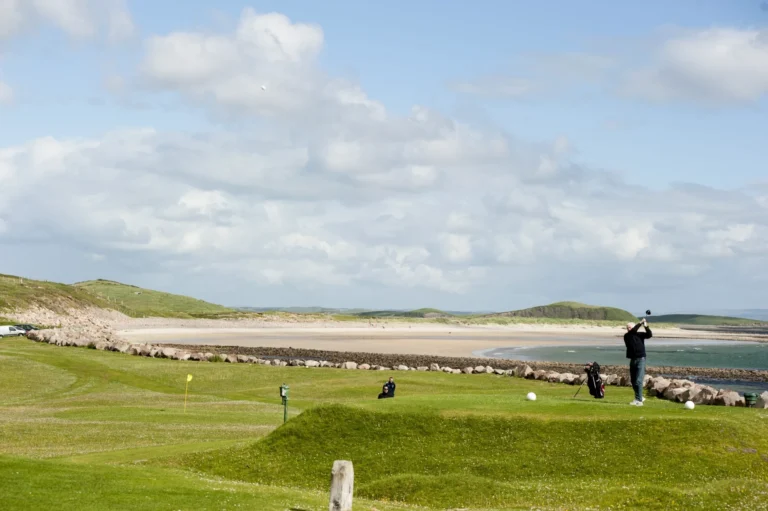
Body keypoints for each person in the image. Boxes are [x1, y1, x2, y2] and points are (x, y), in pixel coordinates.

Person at [624, 318, 652, 406]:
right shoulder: (627, 336)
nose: (628, 329)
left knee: (638, 381)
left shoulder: (640, 335)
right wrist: (640, 322)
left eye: (629, 327)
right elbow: (633, 331)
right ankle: (639, 397)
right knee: (633, 381)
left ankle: (639, 401)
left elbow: (649, 335)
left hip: (641, 359)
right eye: (627, 328)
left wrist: (645, 325)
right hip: (633, 360)